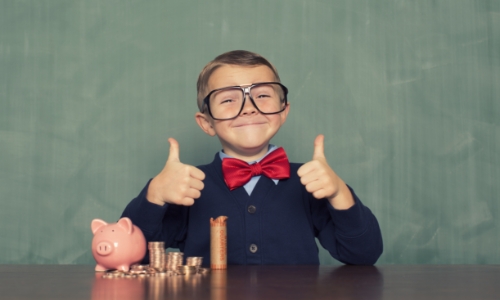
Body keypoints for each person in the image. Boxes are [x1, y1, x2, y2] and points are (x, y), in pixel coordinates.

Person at [121, 50, 383, 265]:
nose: (248, 108)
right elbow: (131, 256)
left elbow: (364, 254)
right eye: (228, 100)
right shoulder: (186, 186)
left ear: (283, 111)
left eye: (262, 95)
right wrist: (153, 196)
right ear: (206, 123)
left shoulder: (309, 184)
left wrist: (339, 193)